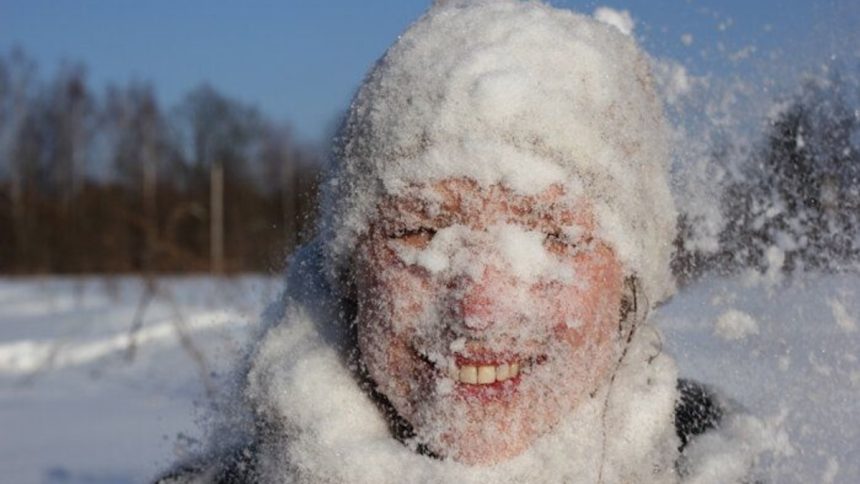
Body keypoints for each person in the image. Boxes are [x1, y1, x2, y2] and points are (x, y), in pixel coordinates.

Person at [158, 1, 753, 482]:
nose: (478, 310)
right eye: (421, 231)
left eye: (554, 236)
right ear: (351, 273)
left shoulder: (728, 464)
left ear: (631, 278)